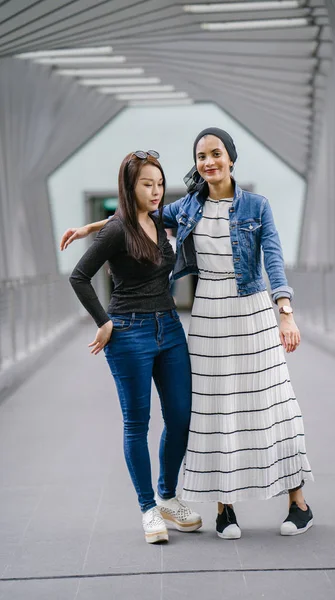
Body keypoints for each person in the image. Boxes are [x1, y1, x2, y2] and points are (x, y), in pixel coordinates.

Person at [61, 128, 314, 539]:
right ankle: (224, 508)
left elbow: (273, 258)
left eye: (216, 153)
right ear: (196, 164)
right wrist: (92, 229)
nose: (209, 161)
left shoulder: (257, 206)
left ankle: (298, 503)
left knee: (274, 404)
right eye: (201, 155)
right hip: (209, 315)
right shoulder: (188, 207)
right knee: (212, 411)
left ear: (231, 158)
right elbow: (132, 216)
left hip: (251, 310)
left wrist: (285, 311)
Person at [67, 151, 202, 544]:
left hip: (171, 329)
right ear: (130, 186)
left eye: (159, 183)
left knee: (180, 417)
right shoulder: (116, 231)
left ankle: (167, 496)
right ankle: (148, 508)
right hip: (129, 332)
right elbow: (79, 277)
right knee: (137, 422)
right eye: (147, 184)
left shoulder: (161, 220)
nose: (156, 191)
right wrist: (104, 322)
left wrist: (86, 225)